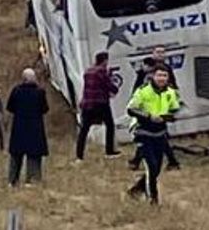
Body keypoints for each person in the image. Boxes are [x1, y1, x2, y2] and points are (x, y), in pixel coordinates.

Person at [126, 66, 181, 205]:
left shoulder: (170, 92)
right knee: (151, 166)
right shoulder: (143, 90)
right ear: (153, 76)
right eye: (159, 75)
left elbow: (175, 111)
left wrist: (166, 117)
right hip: (143, 133)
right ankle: (153, 200)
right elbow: (131, 109)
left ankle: (136, 189)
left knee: (156, 169)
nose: (162, 78)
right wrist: (149, 116)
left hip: (160, 135)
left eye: (164, 76)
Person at [129, 47, 180, 170]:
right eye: (158, 52)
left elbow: (173, 85)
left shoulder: (167, 69)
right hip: (147, 104)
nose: (160, 55)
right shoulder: (145, 69)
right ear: (153, 54)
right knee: (149, 133)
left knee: (154, 134)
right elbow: (138, 85)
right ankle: (171, 161)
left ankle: (137, 161)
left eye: (163, 52)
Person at [6, 68, 49, 187]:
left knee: (16, 155)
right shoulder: (40, 92)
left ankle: (12, 180)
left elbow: (10, 107)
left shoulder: (16, 91)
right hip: (35, 127)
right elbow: (45, 109)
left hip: (19, 126)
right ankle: (32, 179)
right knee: (34, 155)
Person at [77, 51, 121, 160]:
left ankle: (79, 155)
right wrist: (115, 89)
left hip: (87, 103)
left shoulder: (88, 71)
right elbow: (107, 85)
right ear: (104, 60)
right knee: (109, 125)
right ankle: (109, 151)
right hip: (100, 103)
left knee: (84, 129)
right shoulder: (101, 71)